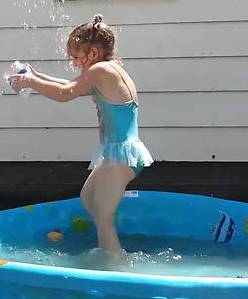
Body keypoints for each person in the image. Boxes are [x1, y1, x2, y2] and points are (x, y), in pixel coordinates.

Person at [8, 14, 153, 255]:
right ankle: (109, 249)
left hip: (122, 155)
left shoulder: (101, 70)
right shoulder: (107, 69)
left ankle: (115, 269)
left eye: (76, 57)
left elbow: (65, 93)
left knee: (103, 212)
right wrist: (36, 75)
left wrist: (31, 82)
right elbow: (69, 84)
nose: (74, 62)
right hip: (117, 152)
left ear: (93, 53)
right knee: (88, 198)